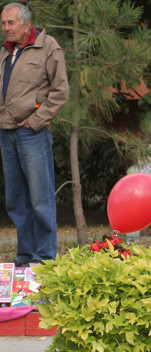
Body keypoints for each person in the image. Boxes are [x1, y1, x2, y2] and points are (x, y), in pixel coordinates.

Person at [0, 2, 69, 267]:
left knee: (40, 199)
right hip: (6, 133)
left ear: (27, 24)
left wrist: (36, 121)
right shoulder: (5, 51)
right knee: (16, 200)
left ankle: (45, 258)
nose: (6, 28)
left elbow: (61, 91)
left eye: (11, 23)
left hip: (32, 134)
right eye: (3, 23)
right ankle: (25, 255)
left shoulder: (47, 46)